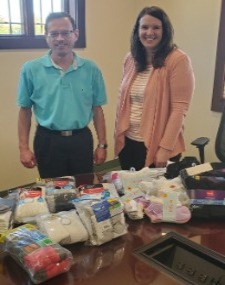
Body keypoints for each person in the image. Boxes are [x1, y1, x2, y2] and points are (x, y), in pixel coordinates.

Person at [17, 12, 108, 178]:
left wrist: (102, 145)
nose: (60, 38)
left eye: (65, 32)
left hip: (81, 140)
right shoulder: (31, 70)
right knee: (54, 194)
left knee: (84, 189)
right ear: (46, 37)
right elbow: (24, 110)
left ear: (75, 34)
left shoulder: (91, 69)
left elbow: (97, 109)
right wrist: (23, 148)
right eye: (54, 34)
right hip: (48, 141)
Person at [114, 6, 195, 171]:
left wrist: (165, 149)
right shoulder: (131, 58)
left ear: (165, 31)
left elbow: (179, 109)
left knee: (157, 196)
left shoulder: (177, 60)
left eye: (156, 27)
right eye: (144, 27)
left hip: (159, 145)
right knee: (130, 194)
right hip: (129, 142)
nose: (149, 32)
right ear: (137, 30)